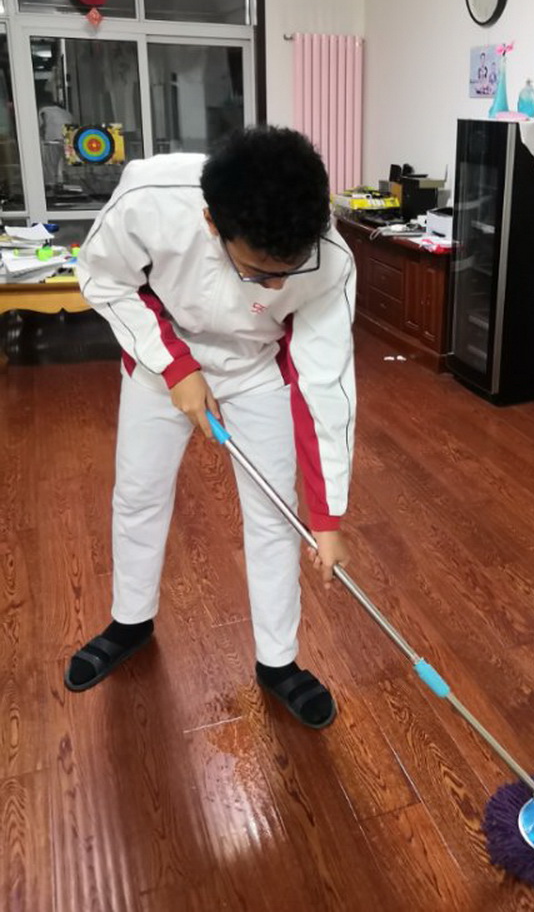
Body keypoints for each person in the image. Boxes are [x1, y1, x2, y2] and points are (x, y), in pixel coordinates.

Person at [65, 125, 356, 730]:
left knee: (275, 515)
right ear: (210, 224)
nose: (278, 287)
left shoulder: (330, 260)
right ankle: (130, 621)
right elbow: (101, 277)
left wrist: (327, 520)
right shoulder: (149, 197)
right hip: (160, 358)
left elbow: (324, 385)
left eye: (289, 271)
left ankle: (278, 662)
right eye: (259, 272)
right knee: (139, 493)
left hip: (255, 367)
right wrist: (175, 366)